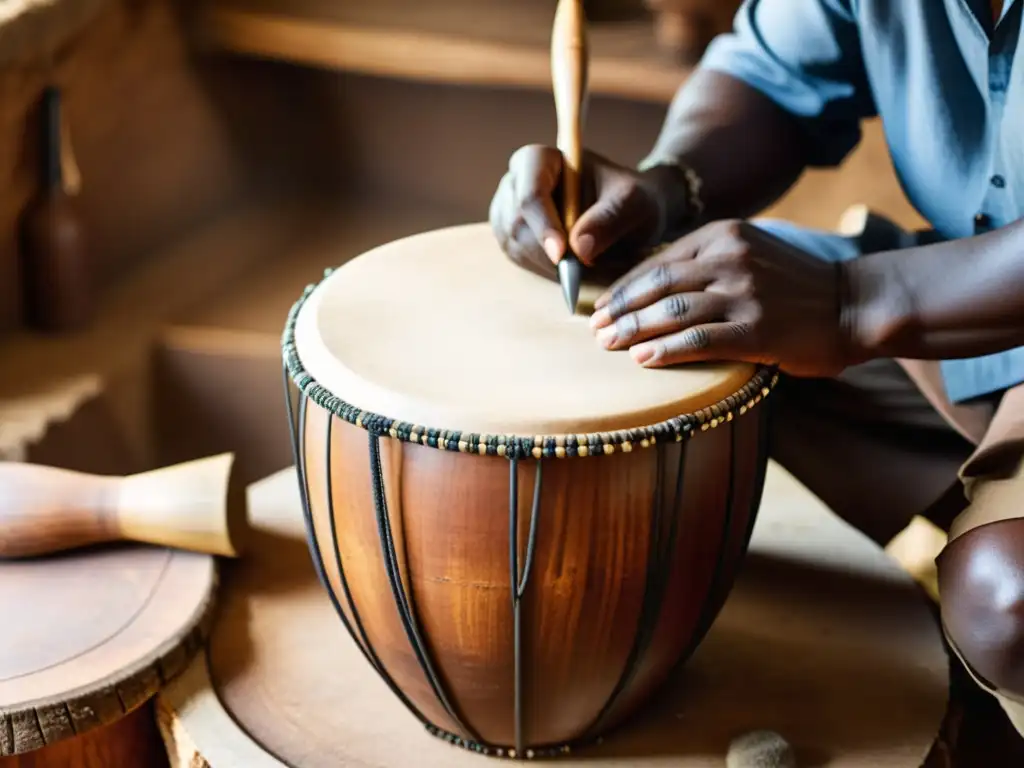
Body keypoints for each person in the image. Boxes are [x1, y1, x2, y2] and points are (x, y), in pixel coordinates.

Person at [489, 0, 1024, 739]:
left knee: (1009, 600)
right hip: (969, 311)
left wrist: (849, 303)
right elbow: (769, 75)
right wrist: (663, 190)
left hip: (952, 307)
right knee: (690, 344)